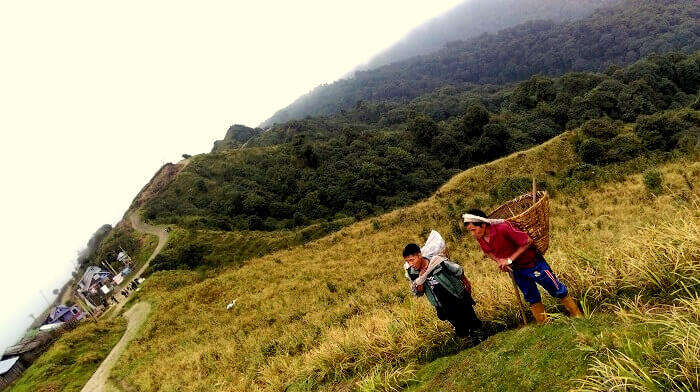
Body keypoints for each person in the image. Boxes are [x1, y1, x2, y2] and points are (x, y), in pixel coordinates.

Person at [462, 209, 582, 323]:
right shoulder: (480, 237)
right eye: (470, 231)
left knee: (554, 287)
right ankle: (543, 323)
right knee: (530, 295)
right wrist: (499, 261)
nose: (472, 234)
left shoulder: (503, 228)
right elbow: (487, 252)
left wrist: (509, 259)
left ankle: (576, 314)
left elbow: (527, 241)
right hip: (516, 270)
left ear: (483, 225)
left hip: (532, 263)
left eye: (473, 229)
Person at [403, 243, 482, 337]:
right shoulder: (412, 273)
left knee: (471, 319)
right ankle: (469, 340)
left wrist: (466, 282)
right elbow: (418, 292)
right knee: (459, 326)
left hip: (455, 294)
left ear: (419, 255)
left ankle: (481, 337)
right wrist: (420, 281)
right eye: (408, 262)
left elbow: (457, 269)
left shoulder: (436, 262)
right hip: (441, 302)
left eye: (412, 260)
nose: (410, 264)